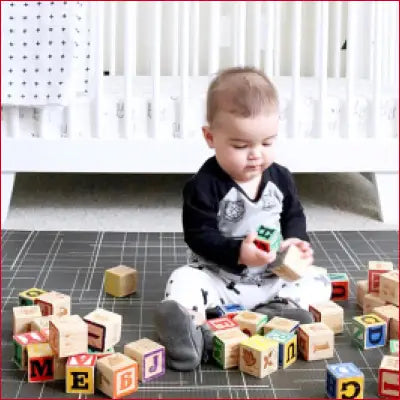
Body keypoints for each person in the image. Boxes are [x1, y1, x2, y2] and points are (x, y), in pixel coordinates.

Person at [154, 66, 332, 371]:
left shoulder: (281, 178)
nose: (256, 155)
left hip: (271, 278)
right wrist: (239, 252)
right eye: (240, 145)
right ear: (210, 137)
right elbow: (198, 235)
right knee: (181, 280)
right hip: (219, 278)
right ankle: (188, 332)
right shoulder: (204, 185)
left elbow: (293, 215)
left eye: (267, 143)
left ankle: (281, 310)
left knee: (320, 279)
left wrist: (294, 241)